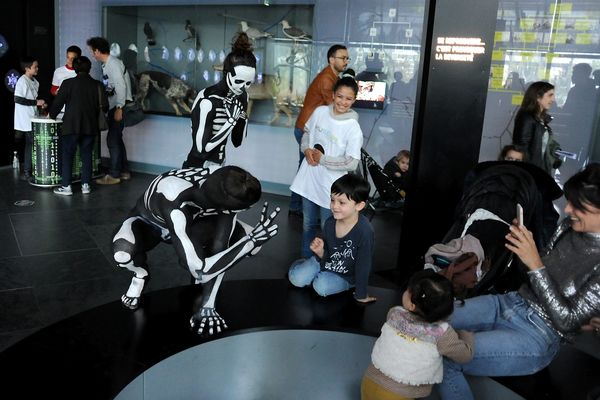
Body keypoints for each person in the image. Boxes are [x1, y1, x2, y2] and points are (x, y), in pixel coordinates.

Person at [437, 163, 600, 400]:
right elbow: (536, 276)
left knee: (447, 358)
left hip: (538, 335)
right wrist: (524, 246)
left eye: (579, 205)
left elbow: (567, 322)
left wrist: (535, 263)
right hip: (509, 303)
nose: (568, 210)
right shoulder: (568, 227)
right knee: (426, 316)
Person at [112, 166, 280, 335]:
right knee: (122, 253)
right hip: (150, 223)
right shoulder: (175, 198)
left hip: (195, 222)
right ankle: (140, 274)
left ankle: (199, 259)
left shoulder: (226, 183)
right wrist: (249, 242)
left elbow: (219, 248)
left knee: (237, 250)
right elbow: (200, 270)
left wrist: (208, 306)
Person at [361, 270, 474, 400]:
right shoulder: (442, 334)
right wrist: (466, 336)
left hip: (368, 384)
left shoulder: (394, 314)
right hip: (400, 395)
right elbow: (465, 355)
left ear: (411, 305)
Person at [290, 76, 363, 258]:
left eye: (348, 98)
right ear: (333, 95)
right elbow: (307, 132)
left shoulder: (353, 127)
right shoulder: (320, 112)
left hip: (332, 189)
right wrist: (306, 149)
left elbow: (351, 161)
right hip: (310, 181)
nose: (343, 102)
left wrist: (323, 160)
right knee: (308, 224)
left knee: (328, 227)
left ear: (354, 100)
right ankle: (306, 260)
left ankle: (326, 264)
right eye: (340, 96)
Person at [288, 173, 376, 302]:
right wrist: (320, 252)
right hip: (326, 264)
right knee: (296, 278)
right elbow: (328, 255)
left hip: (345, 276)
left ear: (359, 206)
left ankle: (316, 274)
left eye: (342, 202)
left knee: (321, 287)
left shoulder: (365, 231)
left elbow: (364, 264)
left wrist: (361, 295)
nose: (335, 206)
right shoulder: (330, 223)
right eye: (332, 200)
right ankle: (301, 265)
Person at [289, 44, 350, 217]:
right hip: (307, 130)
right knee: (306, 170)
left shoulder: (332, 77)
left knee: (304, 169)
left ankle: (296, 207)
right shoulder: (327, 79)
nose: (346, 61)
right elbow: (334, 105)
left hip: (310, 128)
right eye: (342, 58)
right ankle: (298, 207)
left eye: (347, 58)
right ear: (332, 59)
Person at [182, 33, 255, 169]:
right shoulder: (208, 100)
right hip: (198, 166)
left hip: (220, 164)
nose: (243, 87)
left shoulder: (242, 96)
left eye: (248, 83)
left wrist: (242, 118)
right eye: (238, 81)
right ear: (226, 73)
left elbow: (237, 141)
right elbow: (201, 149)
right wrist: (231, 121)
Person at [48, 56, 108, 195]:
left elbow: (58, 102)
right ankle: (86, 185)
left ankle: (66, 187)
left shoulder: (68, 83)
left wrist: (51, 114)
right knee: (86, 155)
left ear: (74, 68)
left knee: (67, 155)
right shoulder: (97, 85)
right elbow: (105, 106)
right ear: (89, 69)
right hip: (90, 127)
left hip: (71, 126)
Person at [87, 36, 133, 185]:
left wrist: (120, 107)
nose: (92, 54)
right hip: (115, 106)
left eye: (92, 51)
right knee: (117, 139)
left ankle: (114, 175)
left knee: (112, 139)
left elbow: (120, 85)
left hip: (119, 107)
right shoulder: (107, 64)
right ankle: (124, 171)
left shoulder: (112, 64)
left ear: (98, 51)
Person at [512, 81, 561, 174]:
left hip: (538, 170)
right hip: (531, 172)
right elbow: (521, 148)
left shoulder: (540, 118)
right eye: (550, 95)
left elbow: (541, 144)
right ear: (538, 97)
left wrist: (554, 151)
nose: (553, 99)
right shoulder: (527, 118)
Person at [13, 56, 47, 182]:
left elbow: (33, 100)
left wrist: (40, 105)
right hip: (25, 119)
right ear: (27, 69)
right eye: (35, 67)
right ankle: (28, 172)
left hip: (33, 117)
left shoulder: (35, 82)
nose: (37, 68)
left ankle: (30, 170)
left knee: (31, 144)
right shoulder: (22, 81)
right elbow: (18, 99)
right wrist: (36, 102)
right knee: (31, 144)